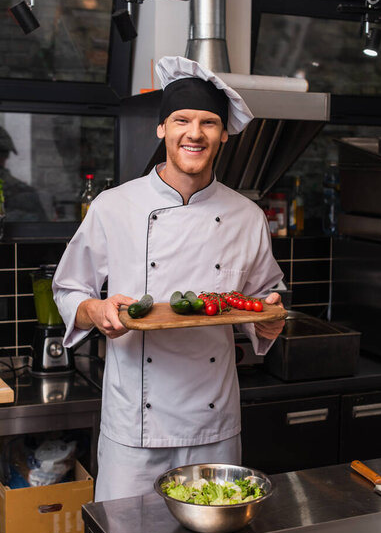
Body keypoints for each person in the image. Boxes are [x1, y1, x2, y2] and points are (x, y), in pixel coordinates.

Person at [52, 55, 285, 502]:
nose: (194, 133)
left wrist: (268, 322)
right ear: (162, 128)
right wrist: (95, 310)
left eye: (208, 123)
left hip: (213, 424)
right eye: (181, 120)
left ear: (223, 134)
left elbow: (260, 303)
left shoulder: (247, 217)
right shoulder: (113, 206)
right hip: (134, 425)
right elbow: (69, 289)